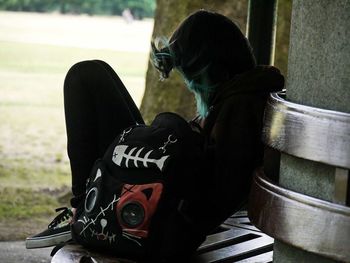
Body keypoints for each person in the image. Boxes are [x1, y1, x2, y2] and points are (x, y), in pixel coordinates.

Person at [26, 9, 284, 260]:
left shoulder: (242, 107)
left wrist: (182, 139)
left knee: (85, 77)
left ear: (212, 67)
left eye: (192, 77)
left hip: (162, 218)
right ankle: (82, 206)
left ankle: (82, 209)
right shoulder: (240, 95)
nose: (191, 86)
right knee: (92, 72)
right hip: (163, 186)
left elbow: (212, 197)